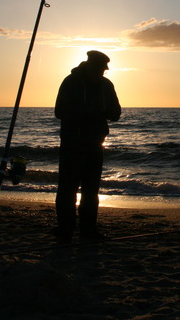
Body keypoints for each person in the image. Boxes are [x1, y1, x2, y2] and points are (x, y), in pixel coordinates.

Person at [53, 50, 121, 240]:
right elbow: (59, 111)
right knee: (67, 189)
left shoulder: (106, 85)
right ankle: (65, 229)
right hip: (71, 145)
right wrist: (84, 114)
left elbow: (116, 112)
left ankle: (88, 229)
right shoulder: (70, 82)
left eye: (104, 70)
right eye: (100, 69)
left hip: (95, 145)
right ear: (90, 66)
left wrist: (101, 113)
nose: (102, 73)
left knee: (91, 191)